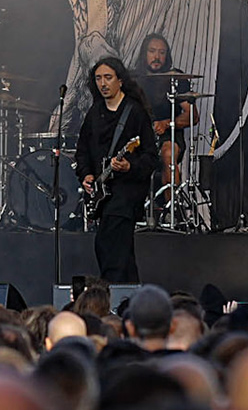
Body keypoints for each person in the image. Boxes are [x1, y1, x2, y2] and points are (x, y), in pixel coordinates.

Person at [74, 56, 157, 283]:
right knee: (120, 253)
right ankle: (128, 298)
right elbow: (82, 150)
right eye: (99, 78)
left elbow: (151, 157)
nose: (103, 83)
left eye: (108, 77)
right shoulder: (95, 113)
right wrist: (86, 174)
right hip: (104, 193)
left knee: (109, 246)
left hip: (127, 193)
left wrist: (130, 166)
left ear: (120, 80)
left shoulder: (134, 113)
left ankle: (111, 296)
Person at [136, 33, 196, 190]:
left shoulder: (176, 79)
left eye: (162, 53)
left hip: (169, 135)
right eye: (152, 51)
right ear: (144, 53)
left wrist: (167, 123)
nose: (157, 57)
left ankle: (172, 211)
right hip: (137, 135)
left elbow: (192, 116)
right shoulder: (133, 80)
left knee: (168, 154)